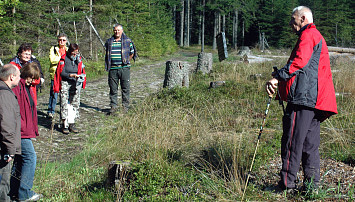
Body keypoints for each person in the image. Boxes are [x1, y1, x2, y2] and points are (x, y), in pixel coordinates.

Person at [266, 6, 337, 193]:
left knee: (292, 141)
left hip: (303, 99)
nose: (291, 23)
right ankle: (312, 187)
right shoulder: (316, 36)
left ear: (303, 18)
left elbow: (298, 62)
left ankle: (286, 185)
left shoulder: (308, 36)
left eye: (293, 19)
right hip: (315, 100)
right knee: (309, 144)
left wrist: (277, 77)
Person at [10, 62, 43, 201]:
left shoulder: (27, 88)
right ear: (25, 74)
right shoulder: (17, 88)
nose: (32, 80)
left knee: (19, 160)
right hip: (18, 131)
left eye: (34, 77)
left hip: (23, 130)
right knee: (30, 158)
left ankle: (13, 191)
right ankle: (24, 193)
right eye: (30, 77)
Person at [53, 43, 86, 134]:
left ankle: (72, 123)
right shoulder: (64, 59)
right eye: (73, 53)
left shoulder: (78, 59)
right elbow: (61, 72)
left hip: (75, 82)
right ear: (70, 51)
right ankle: (64, 124)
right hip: (65, 81)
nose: (75, 55)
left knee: (74, 102)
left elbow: (81, 69)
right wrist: (70, 75)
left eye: (76, 53)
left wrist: (80, 77)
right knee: (64, 102)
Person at [0, 64, 21, 202]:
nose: (20, 79)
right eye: (18, 76)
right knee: (3, 183)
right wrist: (10, 149)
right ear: (12, 77)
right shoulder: (5, 95)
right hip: (3, 148)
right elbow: (6, 124)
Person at [105, 24, 137, 114]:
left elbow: (132, 53)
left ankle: (125, 107)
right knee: (113, 88)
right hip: (112, 68)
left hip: (124, 68)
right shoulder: (109, 42)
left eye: (118, 30)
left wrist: (126, 61)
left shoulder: (127, 41)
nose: (117, 32)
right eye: (115, 30)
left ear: (122, 31)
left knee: (125, 88)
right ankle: (113, 107)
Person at [47, 33, 68, 119]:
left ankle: (64, 111)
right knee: (54, 93)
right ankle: (51, 111)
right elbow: (52, 60)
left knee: (65, 94)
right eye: (60, 40)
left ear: (66, 41)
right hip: (55, 74)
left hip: (65, 74)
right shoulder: (53, 49)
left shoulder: (67, 49)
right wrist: (62, 59)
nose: (61, 42)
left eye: (63, 40)